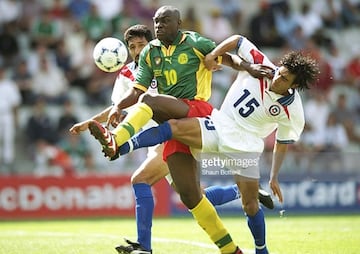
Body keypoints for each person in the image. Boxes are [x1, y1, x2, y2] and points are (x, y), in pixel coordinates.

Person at [70, 23, 273, 254]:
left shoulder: (166, 60)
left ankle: (144, 245)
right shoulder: (127, 74)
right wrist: (92, 121)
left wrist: (240, 65)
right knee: (195, 197)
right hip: (156, 136)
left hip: (176, 128)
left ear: (152, 45)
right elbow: (119, 105)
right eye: (132, 46)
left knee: (140, 179)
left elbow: (217, 59)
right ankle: (244, 193)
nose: (137, 50)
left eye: (141, 45)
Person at [113, 36, 319, 254]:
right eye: (280, 71)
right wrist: (213, 55)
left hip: (246, 146)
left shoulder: (293, 112)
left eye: (284, 78)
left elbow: (282, 142)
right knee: (174, 128)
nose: (277, 77)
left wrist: (274, 176)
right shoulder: (262, 66)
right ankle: (122, 146)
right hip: (220, 124)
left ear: (294, 85)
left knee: (248, 206)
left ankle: (261, 249)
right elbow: (238, 40)